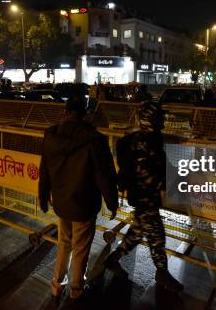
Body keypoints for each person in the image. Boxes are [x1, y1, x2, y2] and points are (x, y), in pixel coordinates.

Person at [38, 96, 118, 302]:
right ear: (85, 113)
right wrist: (112, 202)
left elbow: (44, 170)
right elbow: (105, 175)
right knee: (80, 247)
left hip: (61, 202)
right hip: (83, 204)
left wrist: (43, 196)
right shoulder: (94, 139)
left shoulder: (51, 134)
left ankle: (56, 287)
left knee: (64, 243)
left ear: (66, 111)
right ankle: (76, 288)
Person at [104, 101, 184, 293]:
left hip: (143, 196)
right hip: (144, 196)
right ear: (152, 119)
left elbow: (157, 165)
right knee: (157, 236)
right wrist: (170, 183)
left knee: (137, 232)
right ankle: (162, 272)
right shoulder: (144, 141)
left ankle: (112, 260)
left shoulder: (149, 138)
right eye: (160, 116)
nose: (163, 119)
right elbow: (145, 172)